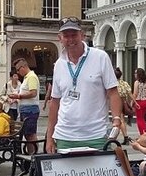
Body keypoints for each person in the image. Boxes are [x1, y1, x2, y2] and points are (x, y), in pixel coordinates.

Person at [46, 16, 123, 152]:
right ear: (60, 38)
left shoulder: (100, 57)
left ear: (82, 35)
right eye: (66, 36)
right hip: (65, 136)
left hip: (96, 135)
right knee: (67, 174)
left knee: (98, 173)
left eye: (74, 35)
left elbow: (113, 92)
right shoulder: (59, 64)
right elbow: (55, 102)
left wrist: (116, 119)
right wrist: (50, 136)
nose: (70, 40)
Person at [9, 58, 40, 154]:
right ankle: (31, 155)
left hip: (30, 110)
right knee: (28, 134)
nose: (17, 72)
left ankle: (33, 156)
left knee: (30, 134)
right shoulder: (27, 78)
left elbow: (33, 93)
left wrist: (19, 96)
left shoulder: (31, 77)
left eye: (18, 69)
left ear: (23, 67)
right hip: (26, 109)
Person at [115, 67, 133, 143]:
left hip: (117, 102)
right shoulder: (124, 83)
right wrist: (135, 102)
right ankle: (124, 137)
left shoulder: (114, 84)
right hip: (124, 102)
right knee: (121, 120)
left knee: (119, 120)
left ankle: (124, 137)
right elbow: (130, 94)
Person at [132, 67, 146, 135]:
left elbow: (135, 93)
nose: (134, 74)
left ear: (138, 74)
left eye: (135, 73)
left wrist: (132, 102)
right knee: (143, 118)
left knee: (139, 119)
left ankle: (143, 133)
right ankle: (144, 132)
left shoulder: (137, 82)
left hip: (139, 102)